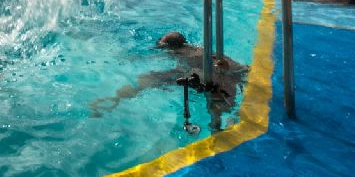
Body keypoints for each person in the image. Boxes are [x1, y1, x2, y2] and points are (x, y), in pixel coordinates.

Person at [90, 31, 247, 131]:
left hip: (206, 78)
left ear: (168, 46)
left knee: (149, 78)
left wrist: (123, 57)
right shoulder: (200, 49)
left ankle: (114, 99)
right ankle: (229, 119)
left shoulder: (177, 53)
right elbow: (239, 69)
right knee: (222, 107)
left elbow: (146, 60)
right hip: (229, 76)